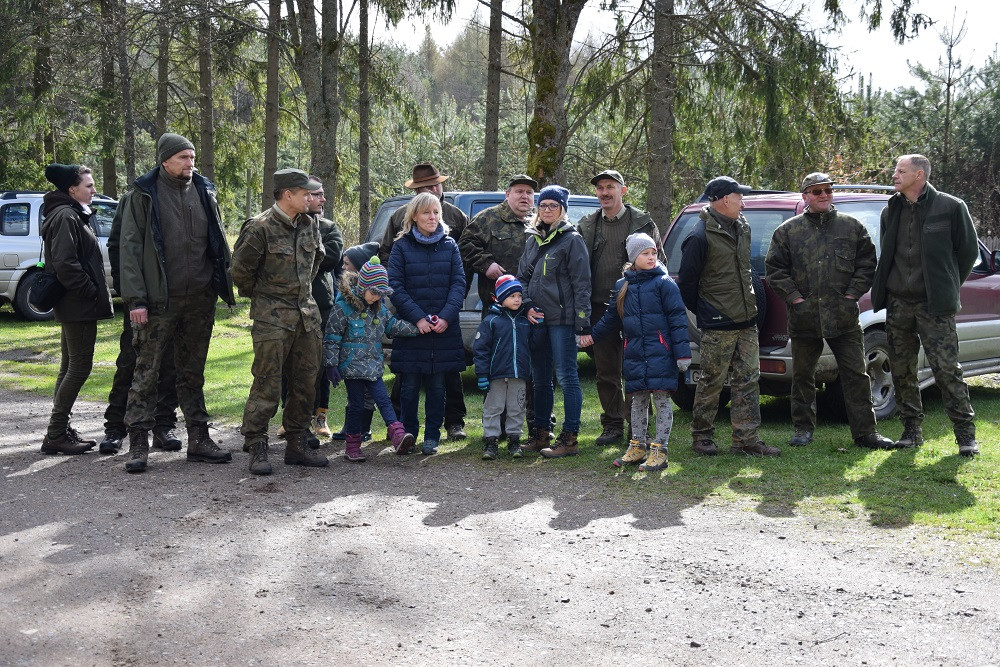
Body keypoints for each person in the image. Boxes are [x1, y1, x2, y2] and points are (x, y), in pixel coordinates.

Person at [118, 133, 236, 473]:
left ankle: (199, 438)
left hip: (199, 298)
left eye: (193, 156)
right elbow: (129, 251)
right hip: (158, 302)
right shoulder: (142, 196)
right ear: (165, 160)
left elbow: (216, 242)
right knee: (146, 372)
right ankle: (138, 443)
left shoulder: (204, 190)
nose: (190, 162)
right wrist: (136, 299)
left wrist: (221, 286)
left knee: (192, 371)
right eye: (184, 157)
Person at [765, 172, 894, 450]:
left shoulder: (852, 227)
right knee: (802, 377)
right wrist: (796, 299)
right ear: (805, 197)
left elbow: (867, 264)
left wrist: (851, 294)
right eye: (816, 191)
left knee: (857, 376)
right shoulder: (788, 231)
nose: (823, 195)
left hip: (844, 318)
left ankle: (866, 433)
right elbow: (774, 270)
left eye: (827, 190)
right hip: (804, 319)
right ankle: (803, 430)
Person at [871, 154, 981, 457]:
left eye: (900, 171)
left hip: (935, 307)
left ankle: (965, 436)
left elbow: (967, 253)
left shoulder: (951, 207)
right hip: (898, 304)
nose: (894, 175)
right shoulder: (890, 210)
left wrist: (945, 286)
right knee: (902, 370)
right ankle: (911, 432)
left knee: (946, 370)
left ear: (919, 175)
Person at [231, 168, 330, 475]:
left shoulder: (309, 224)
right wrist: (266, 299)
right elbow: (239, 272)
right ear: (288, 194)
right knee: (267, 382)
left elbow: (316, 263)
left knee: (305, 381)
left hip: (306, 317)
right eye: (306, 194)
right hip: (272, 319)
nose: (311, 198)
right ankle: (257, 444)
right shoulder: (259, 227)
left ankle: (297, 443)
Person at [677, 176, 779, 457]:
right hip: (718, 323)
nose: (743, 201)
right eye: (739, 196)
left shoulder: (742, 227)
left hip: (747, 321)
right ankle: (702, 436)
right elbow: (686, 284)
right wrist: (709, 311)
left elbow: (745, 272)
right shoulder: (698, 236)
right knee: (711, 380)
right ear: (724, 200)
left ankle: (746, 440)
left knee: (749, 379)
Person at [581, 233, 690, 471]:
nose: (652, 257)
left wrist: (682, 354)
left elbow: (678, 319)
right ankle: (638, 445)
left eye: (653, 253)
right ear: (633, 257)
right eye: (645, 253)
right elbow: (610, 318)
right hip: (635, 353)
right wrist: (591, 336)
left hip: (661, 352)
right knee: (637, 400)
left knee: (662, 400)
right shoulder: (623, 286)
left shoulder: (665, 283)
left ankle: (660, 449)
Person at [380, 162, 469, 441]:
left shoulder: (455, 216)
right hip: (410, 313)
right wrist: (412, 311)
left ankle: (450, 423)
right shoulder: (397, 220)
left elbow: (461, 267)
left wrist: (448, 311)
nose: (433, 190)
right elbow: (387, 258)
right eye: (426, 187)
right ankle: (401, 429)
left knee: (445, 376)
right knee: (406, 379)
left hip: (445, 312)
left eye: (436, 184)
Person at [578, 169, 662, 447]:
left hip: (637, 306)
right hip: (600, 308)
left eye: (610, 187)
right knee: (606, 371)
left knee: (639, 369)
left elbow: (657, 264)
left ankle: (638, 428)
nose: (604, 192)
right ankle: (612, 423)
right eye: (600, 188)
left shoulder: (642, 221)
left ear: (622, 190)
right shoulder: (587, 224)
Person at [38, 164, 114, 455]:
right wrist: (90, 291)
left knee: (69, 366)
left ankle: (58, 431)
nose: (94, 190)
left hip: (74, 303)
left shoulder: (69, 213)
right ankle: (55, 433)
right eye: (89, 186)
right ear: (72, 189)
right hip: (77, 304)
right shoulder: (67, 215)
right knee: (79, 366)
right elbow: (67, 264)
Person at [102, 185, 181, 456]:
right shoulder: (136, 199)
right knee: (130, 363)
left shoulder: (188, 195)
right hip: (144, 301)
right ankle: (114, 429)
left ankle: (164, 425)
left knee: (171, 364)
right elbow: (119, 246)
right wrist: (134, 294)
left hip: (177, 299)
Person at [517, 185, 591, 458]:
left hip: (563, 319)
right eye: (543, 205)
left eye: (553, 206)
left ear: (563, 210)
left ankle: (570, 438)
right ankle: (540, 433)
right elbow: (521, 278)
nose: (547, 210)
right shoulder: (532, 239)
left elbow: (582, 284)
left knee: (567, 377)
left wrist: (582, 323)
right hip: (537, 318)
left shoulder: (572, 240)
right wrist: (525, 306)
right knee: (540, 379)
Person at [323, 256, 418, 461]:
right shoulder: (342, 308)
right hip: (352, 367)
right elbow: (331, 338)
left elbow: (393, 326)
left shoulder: (379, 310)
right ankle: (353, 446)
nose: (376, 298)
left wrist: (418, 328)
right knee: (356, 405)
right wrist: (331, 365)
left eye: (381, 294)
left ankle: (398, 437)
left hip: (373, 366)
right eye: (374, 292)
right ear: (362, 286)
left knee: (383, 400)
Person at [276, 177, 343, 444]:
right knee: (286, 366)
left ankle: (320, 417)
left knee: (319, 365)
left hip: (319, 305)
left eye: (322, 194)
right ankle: (289, 418)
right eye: (316, 195)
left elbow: (331, 258)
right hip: (285, 306)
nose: (321, 199)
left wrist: (297, 256)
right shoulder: (283, 226)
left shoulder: (327, 227)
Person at [459, 174, 537, 313]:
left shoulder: (541, 221)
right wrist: (486, 264)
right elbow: (465, 245)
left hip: (533, 306)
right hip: (498, 306)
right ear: (507, 194)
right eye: (519, 191)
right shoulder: (488, 218)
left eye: (529, 192)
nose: (525, 196)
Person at [329, 241, 382, 443]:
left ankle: (364, 427)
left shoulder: (372, 295)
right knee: (355, 391)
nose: (343, 267)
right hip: (350, 350)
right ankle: (352, 426)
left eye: (347, 263)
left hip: (367, 351)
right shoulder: (346, 292)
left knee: (368, 391)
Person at [474, 275, 531, 460]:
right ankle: (491, 441)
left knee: (517, 407)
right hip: (496, 374)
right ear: (500, 297)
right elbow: (481, 349)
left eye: (519, 296)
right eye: (512, 296)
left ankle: (514, 440)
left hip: (518, 373)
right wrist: (482, 374)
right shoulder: (491, 321)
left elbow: (534, 344)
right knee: (493, 407)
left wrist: (539, 326)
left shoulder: (524, 321)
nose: (517, 299)